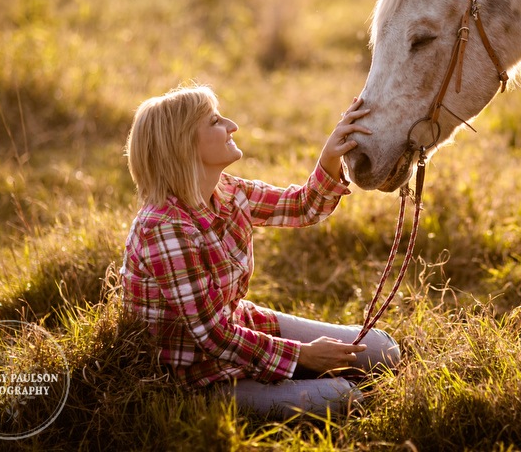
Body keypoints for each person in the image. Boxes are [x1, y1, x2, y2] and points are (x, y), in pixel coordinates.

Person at [120, 84, 400, 419]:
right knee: (345, 398)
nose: (231, 125)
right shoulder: (164, 227)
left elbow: (301, 207)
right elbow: (213, 336)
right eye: (214, 121)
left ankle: (291, 375)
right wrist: (304, 356)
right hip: (195, 376)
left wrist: (329, 156)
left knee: (384, 351)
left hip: (241, 328)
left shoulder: (229, 192)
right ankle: (290, 380)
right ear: (182, 144)